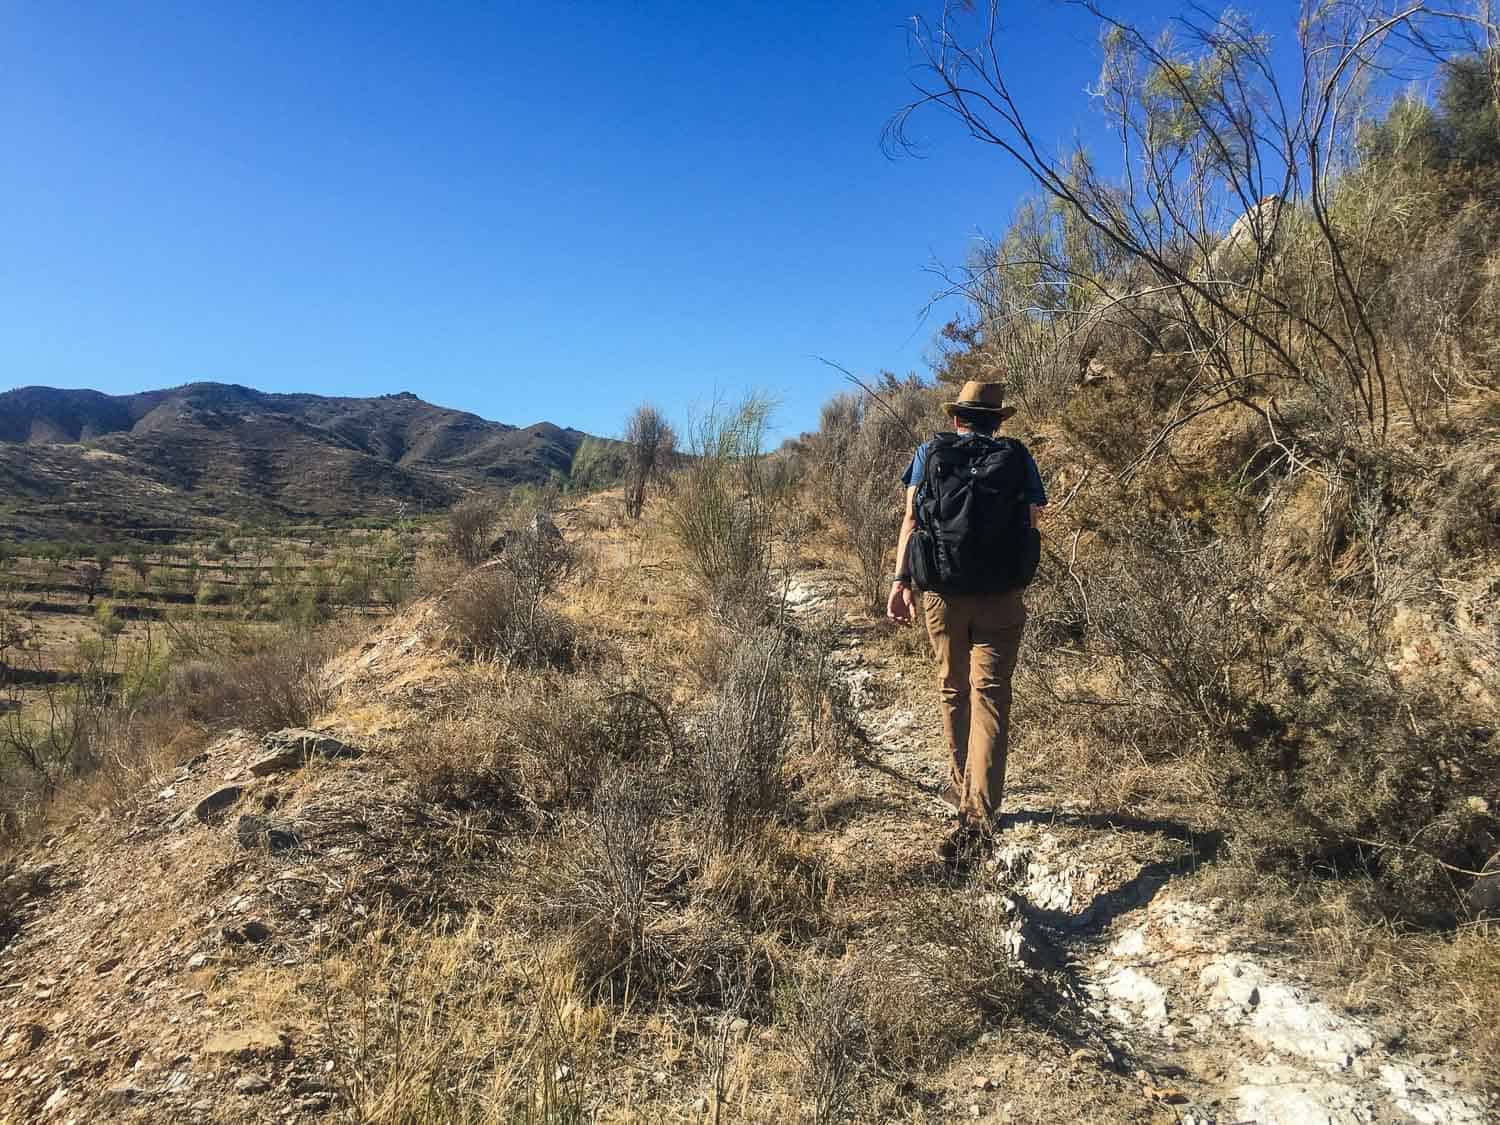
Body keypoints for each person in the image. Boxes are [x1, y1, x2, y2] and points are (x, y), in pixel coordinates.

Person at [886, 381, 1047, 867]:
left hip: (942, 593)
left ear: (958, 417)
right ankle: (981, 813)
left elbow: (911, 520)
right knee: (992, 697)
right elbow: (1035, 517)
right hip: (1002, 596)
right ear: (998, 419)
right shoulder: (1017, 457)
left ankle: (965, 797)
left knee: (953, 690)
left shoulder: (930, 452)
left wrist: (900, 581)